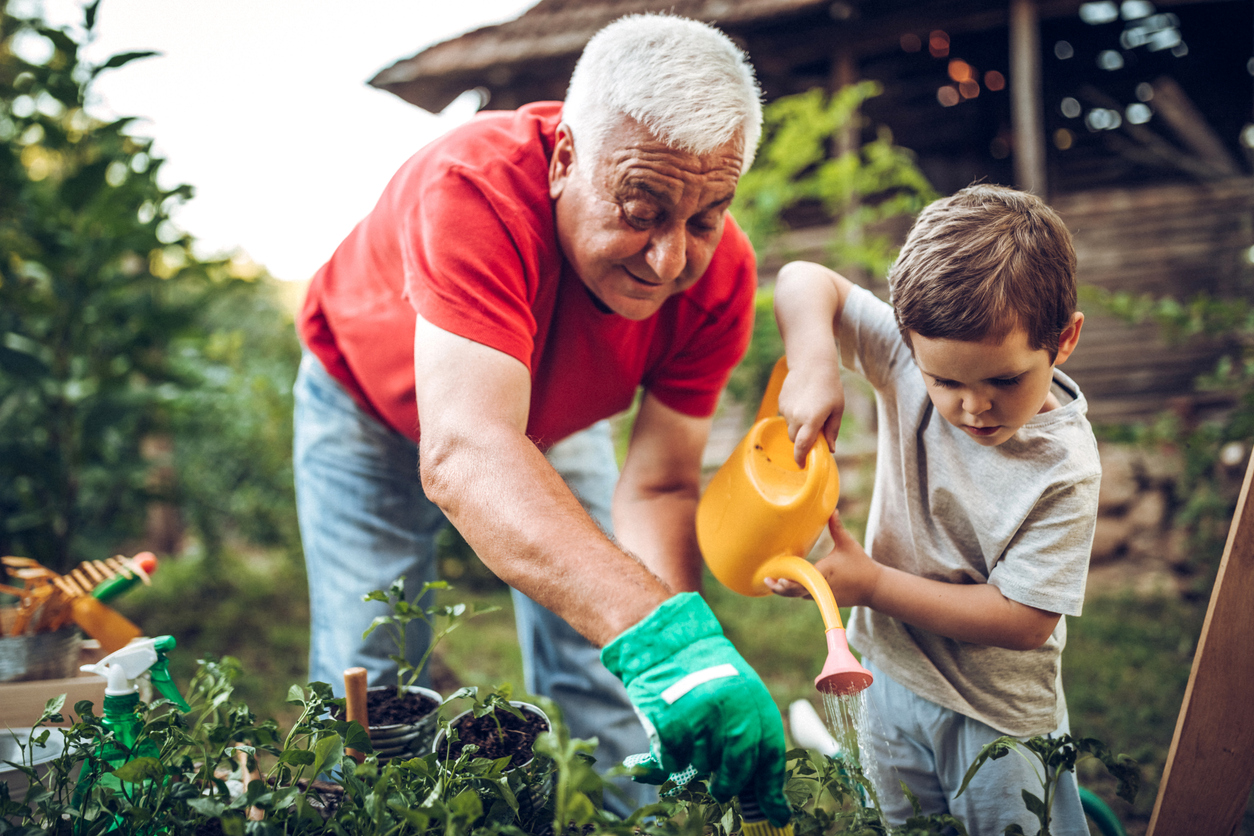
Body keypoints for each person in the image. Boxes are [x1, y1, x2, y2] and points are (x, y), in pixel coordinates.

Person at [293, 13, 789, 824]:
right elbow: (468, 450)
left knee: (611, 663)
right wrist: (657, 634)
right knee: (373, 672)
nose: (669, 261)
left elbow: (660, 486)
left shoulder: (720, 276)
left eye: (703, 218)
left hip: (547, 418)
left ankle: (642, 818)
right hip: (367, 405)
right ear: (565, 158)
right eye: (641, 207)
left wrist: (686, 655)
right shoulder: (475, 186)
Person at [766, 184, 1099, 835]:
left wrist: (872, 585)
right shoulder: (902, 357)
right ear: (907, 340)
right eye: (946, 382)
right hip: (886, 678)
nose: (974, 407)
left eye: (1004, 380)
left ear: (1063, 340)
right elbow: (804, 279)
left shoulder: (1063, 467)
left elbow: (1025, 620)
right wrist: (814, 364)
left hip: (996, 717)